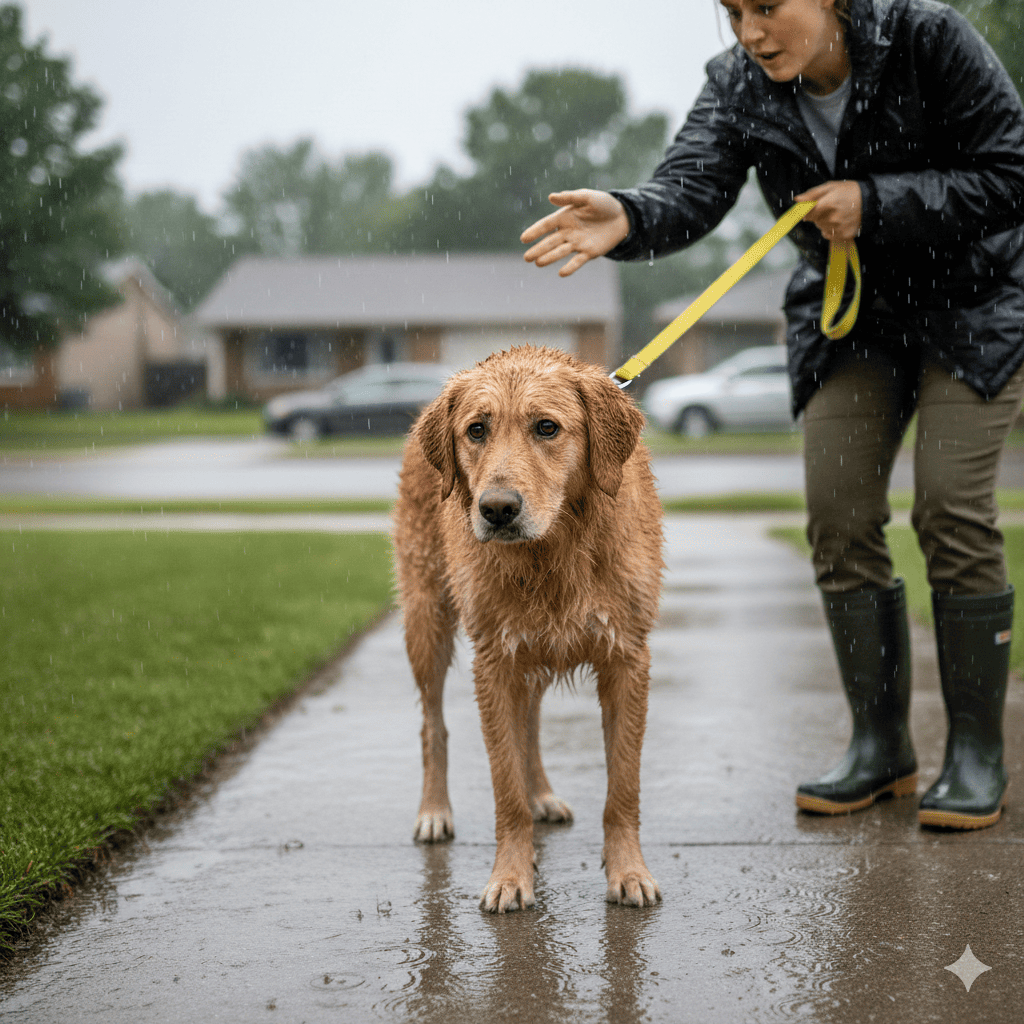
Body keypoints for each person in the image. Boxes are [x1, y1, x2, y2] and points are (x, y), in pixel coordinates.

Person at [521, 0, 1024, 830]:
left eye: (765, 7)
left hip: (970, 313)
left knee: (950, 510)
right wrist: (631, 214)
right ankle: (880, 747)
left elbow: (1010, 175)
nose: (748, 31)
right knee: (837, 517)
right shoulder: (738, 84)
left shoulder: (928, 38)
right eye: (731, 11)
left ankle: (975, 751)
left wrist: (878, 201)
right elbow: (691, 188)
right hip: (849, 328)